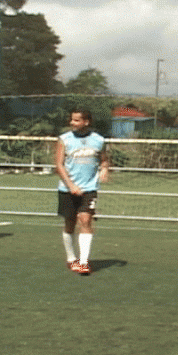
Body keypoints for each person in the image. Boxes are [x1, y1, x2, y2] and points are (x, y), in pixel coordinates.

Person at [55, 109, 109, 275]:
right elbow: (59, 165)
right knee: (69, 224)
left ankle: (84, 262)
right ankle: (72, 258)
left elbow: (104, 160)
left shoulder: (99, 140)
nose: (73, 123)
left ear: (86, 122)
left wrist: (105, 170)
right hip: (67, 189)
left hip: (89, 189)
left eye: (77, 120)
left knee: (85, 220)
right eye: (72, 120)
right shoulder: (64, 140)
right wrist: (71, 185)